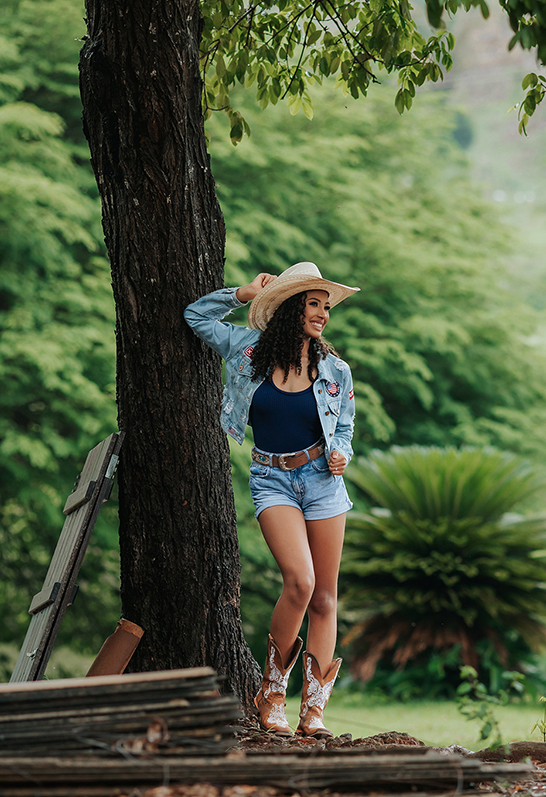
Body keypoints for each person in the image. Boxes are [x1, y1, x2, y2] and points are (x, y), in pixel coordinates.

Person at [184, 261, 359, 738]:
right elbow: (196, 317)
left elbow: (343, 423)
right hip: (272, 479)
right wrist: (241, 293)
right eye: (313, 304)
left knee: (325, 596)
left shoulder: (334, 369)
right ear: (287, 307)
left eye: (326, 306)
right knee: (299, 582)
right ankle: (272, 692)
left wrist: (341, 451)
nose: (323, 314)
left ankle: (315, 710)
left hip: (323, 480)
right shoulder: (246, 350)